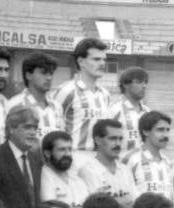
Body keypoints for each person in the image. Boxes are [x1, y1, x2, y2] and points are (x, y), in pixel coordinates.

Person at [53, 38, 111, 169]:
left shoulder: (105, 94)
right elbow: (53, 128)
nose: (102, 63)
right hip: (74, 157)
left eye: (104, 59)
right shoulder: (67, 91)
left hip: (99, 159)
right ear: (81, 61)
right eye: (96, 59)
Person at [78, 119, 136, 208]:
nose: (118, 144)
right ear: (98, 140)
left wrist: (112, 201)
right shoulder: (88, 171)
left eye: (120, 139)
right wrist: (123, 202)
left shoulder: (125, 170)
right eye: (112, 138)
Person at [8, 52, 64, 142]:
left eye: (51, 73)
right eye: (44, 73)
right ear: (28, 75)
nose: (49, 78)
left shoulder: (57, 106)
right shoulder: (15, 105)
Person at [39, 130, 88, 208]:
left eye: (70, 149)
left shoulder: (76, 179)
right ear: (48, 153)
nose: (67, 154)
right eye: (62, 150)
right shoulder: (43, 177)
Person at [126, 111, 174, 204]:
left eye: (168, 130)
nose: (166, 135)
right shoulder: (131, 158)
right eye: (160, 130)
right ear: (145, 131)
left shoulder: (167, 162)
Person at [109, 67, 150, 159]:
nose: (144, 86)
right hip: (121, 165)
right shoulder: (114, 110)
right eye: (139, 82)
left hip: (143, 166)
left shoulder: (147, 111)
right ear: (125, 84)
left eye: (145, 82)